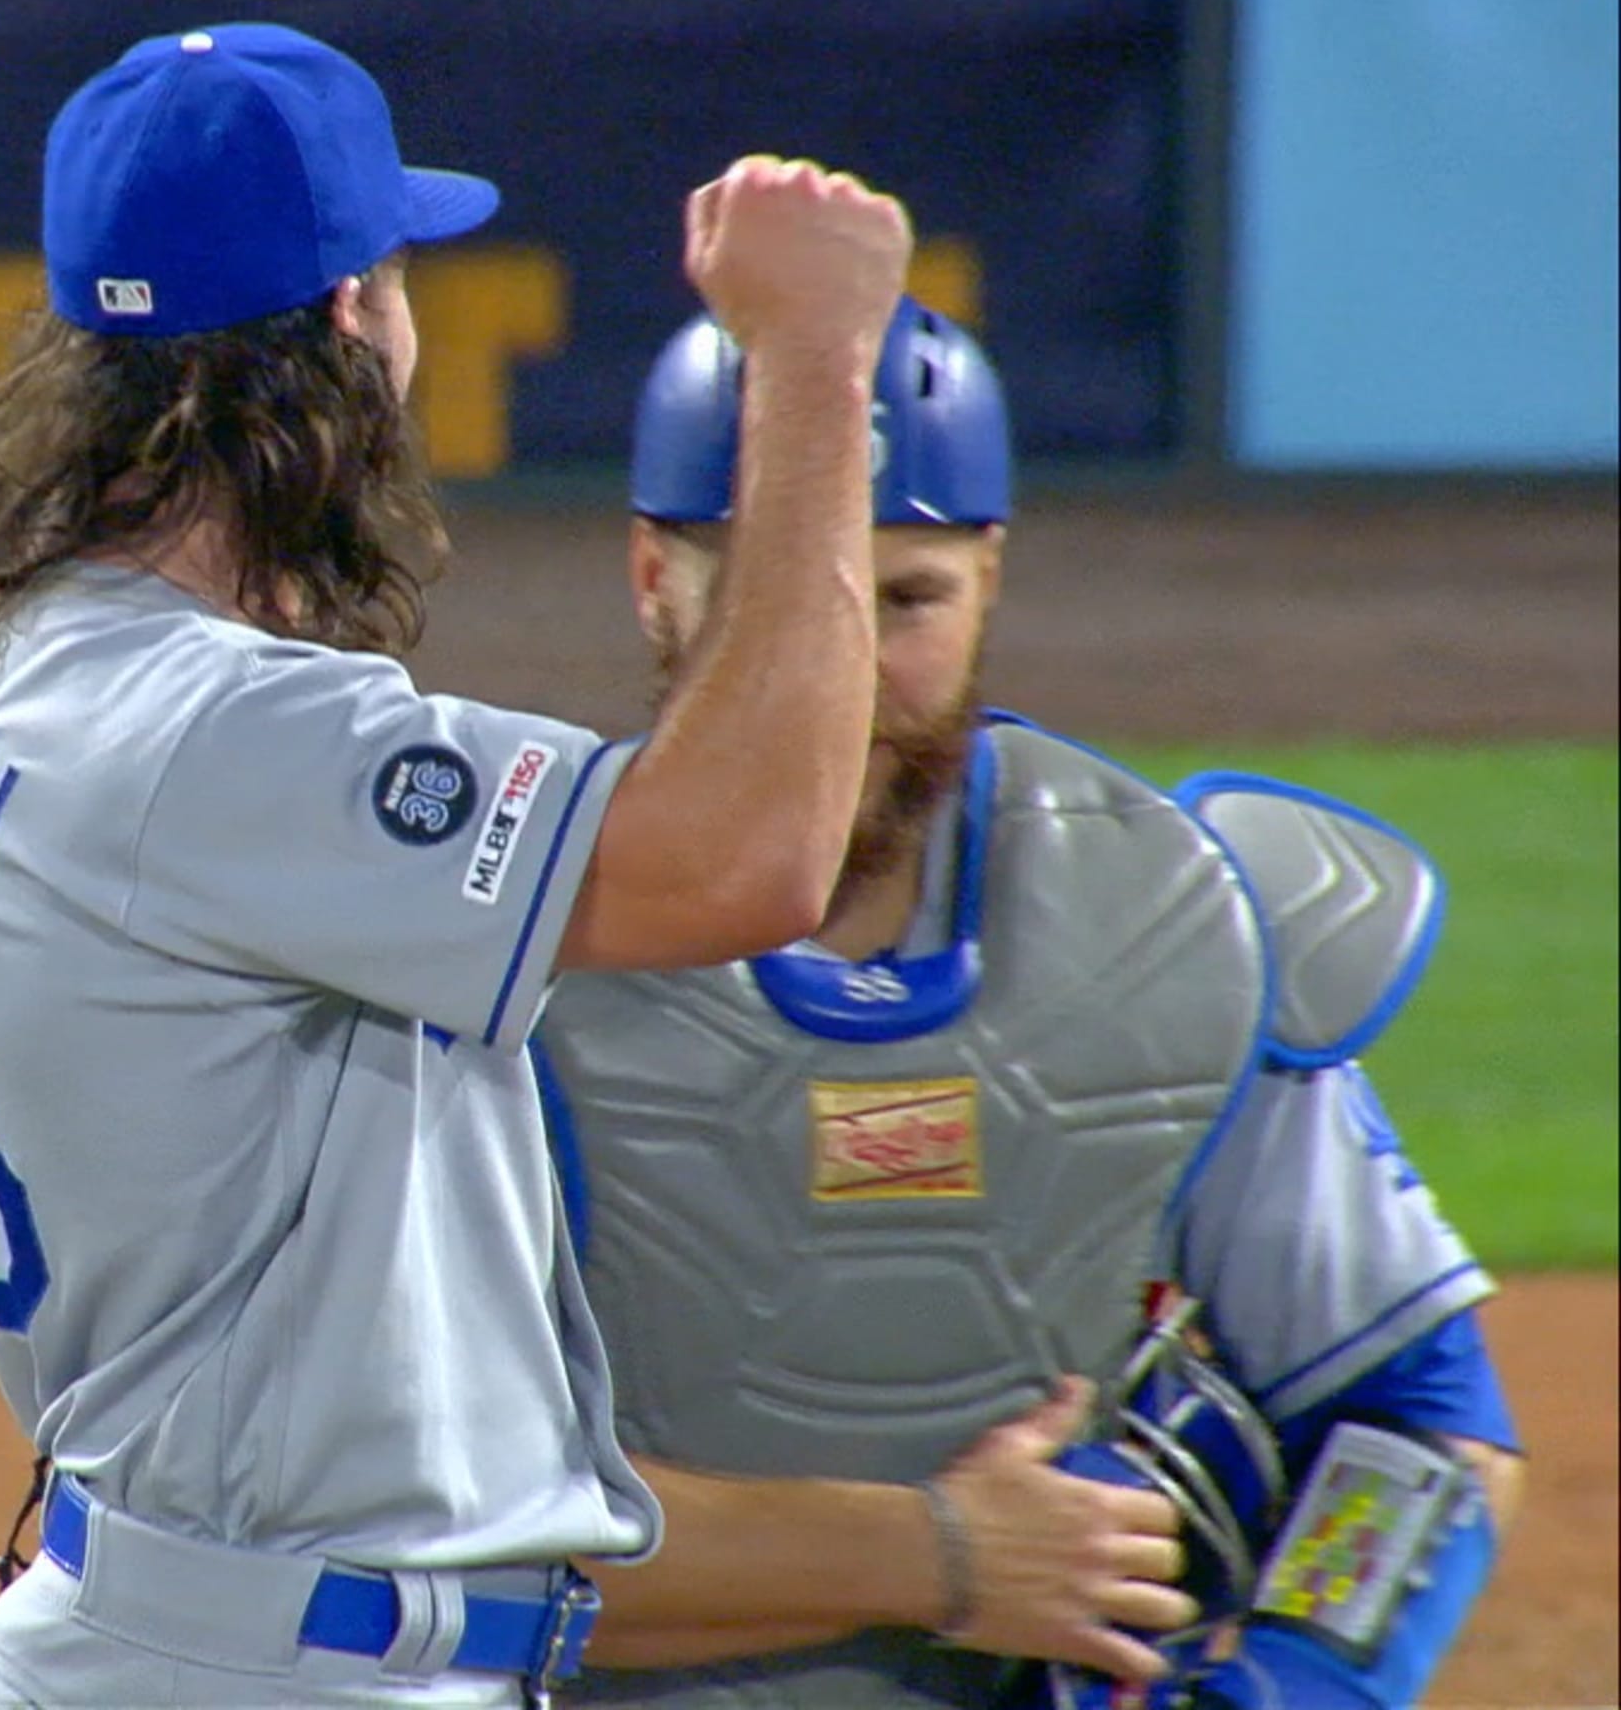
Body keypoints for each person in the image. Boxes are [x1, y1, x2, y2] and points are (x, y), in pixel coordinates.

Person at [0, 15, 1032, 1709]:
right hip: (272, 1670)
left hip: (179, 1624)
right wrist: (813, 360)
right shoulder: (215, 734)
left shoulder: (22, 672)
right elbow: (751, 862)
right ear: (353, 315)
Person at [529, 299, 1526, 1708]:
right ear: (652, 576)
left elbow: (1424, 1428)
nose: (845, 678)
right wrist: (941, 1555)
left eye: (909, 598)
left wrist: (1290, 1690)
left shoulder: (1174, 930)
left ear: (993, 576)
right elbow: (411, 1538)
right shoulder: (488, 947)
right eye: (776, 602)